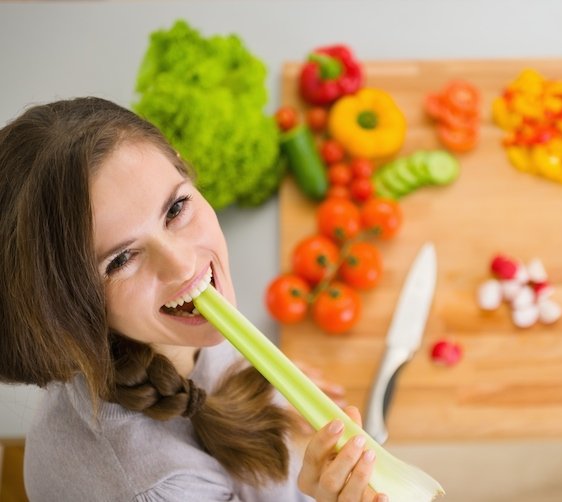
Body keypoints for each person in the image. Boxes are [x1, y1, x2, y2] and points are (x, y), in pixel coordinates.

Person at [0, 97, 387, 502]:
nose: (184, 266)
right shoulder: (159, 490)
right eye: (121, 260)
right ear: (65, 310)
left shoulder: (172, 329)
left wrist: (262, 388)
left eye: (176, 208)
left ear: (184, 168)